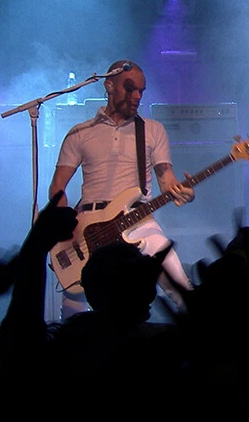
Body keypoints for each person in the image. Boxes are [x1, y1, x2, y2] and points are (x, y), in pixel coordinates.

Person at [48, 60, 195, 319]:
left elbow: (167, 181)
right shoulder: (80, 133)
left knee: (179, 283)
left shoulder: (153, 130)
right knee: (74, 303)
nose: (137, 96)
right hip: (88, 228)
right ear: (109, 86)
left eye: (141, 90)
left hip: (138, 221)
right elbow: (58, 186)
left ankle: (201, 333)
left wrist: (183, 192)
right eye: (130, 89)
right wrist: (66, 231)